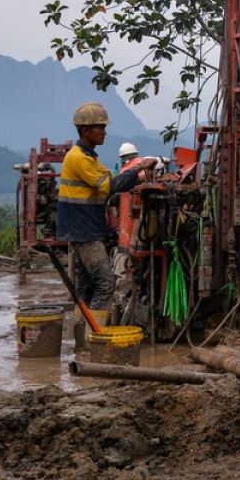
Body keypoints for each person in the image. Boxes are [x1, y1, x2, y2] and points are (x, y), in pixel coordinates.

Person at [57, 102, 156, 328]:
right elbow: (107, 185)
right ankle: (96, 334)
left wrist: (141, 177)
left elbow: (109, 179)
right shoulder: (79, 158)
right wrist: (138, 169)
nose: (104, 132)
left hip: (84, 228)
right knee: (105, 283)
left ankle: (82, 335)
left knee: (87, 286)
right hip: (84, 230)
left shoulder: (89, 157)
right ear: (85, 130)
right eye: (99, 127)